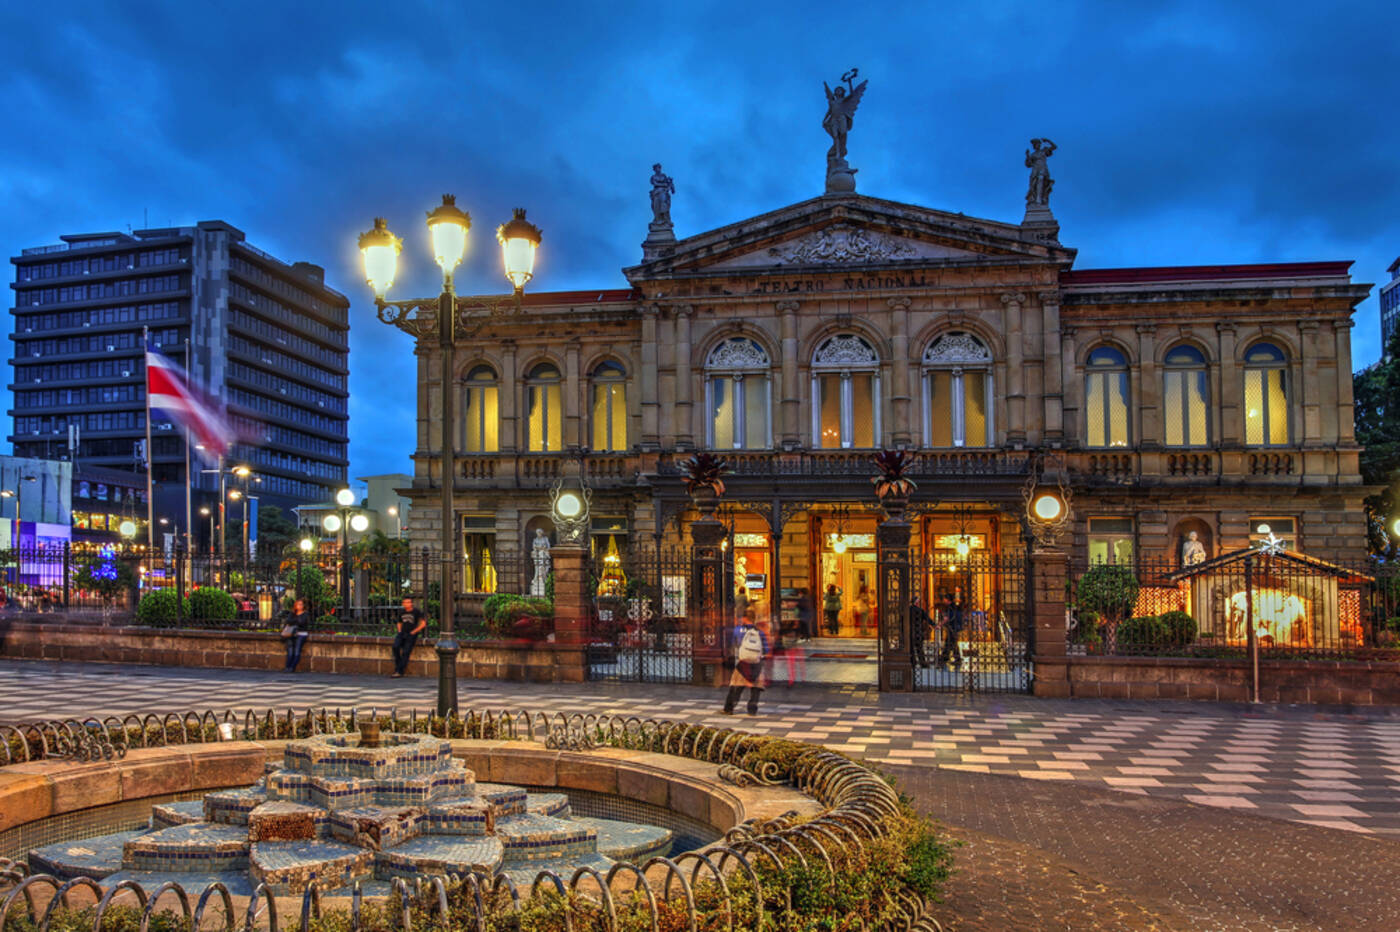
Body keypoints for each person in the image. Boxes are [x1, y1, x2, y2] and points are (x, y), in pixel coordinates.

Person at [722, 608, 769, 715]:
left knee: (736, 685)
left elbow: (733, 644)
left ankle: (729, 708)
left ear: (744, 618)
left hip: (743, 661)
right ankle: (752, 709)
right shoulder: (760, 632)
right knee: (756, 687)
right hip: (756, 662)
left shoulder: (737, 630)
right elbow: (765, 649)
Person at [392, 596, 427, 677]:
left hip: (411, 634)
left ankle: (399, 671)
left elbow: (423, 623)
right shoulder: (402, 612)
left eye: (408, 602)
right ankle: (398, 666)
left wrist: (414, 631)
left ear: (411, 603)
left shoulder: (416, 612)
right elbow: (399, 622)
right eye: (405, 602)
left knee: (406, 652)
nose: (407, 604)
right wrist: (399, 631)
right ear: (403, 604)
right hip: (402, 633)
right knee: (395, 647)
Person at [282, 598, 313, 673]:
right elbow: (288, 621)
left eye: (301, 604)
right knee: (290, 651)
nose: (300, 606)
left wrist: (294, 621)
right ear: (295, 606)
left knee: (297, 651)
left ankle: (292, 667)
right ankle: (287, 667)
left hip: (301, 634)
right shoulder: (292, 613)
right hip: (291, 634)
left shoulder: (305, 614)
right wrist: (296, 621)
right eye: (298, 604)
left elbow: (302, 622)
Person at [936, 593, 965, 670]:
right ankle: (956, 658)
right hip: (955, 627)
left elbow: (947, 618)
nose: (943, 600)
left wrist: (939, 625)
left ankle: (944, 658)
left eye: (944, 599)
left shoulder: (950, 607)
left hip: (952, 627)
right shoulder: (955, 606)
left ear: (947, 599)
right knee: (952, 643)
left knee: (949, 643)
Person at [910, 594, 933, 668]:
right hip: (918, 631)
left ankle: (912, 662)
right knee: (919, 648)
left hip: (909, 631)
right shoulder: (920, 610)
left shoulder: (908, 610)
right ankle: (922, 663)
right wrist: (934, 625)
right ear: (917, 602)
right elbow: (927, 618)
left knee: (911, 648)